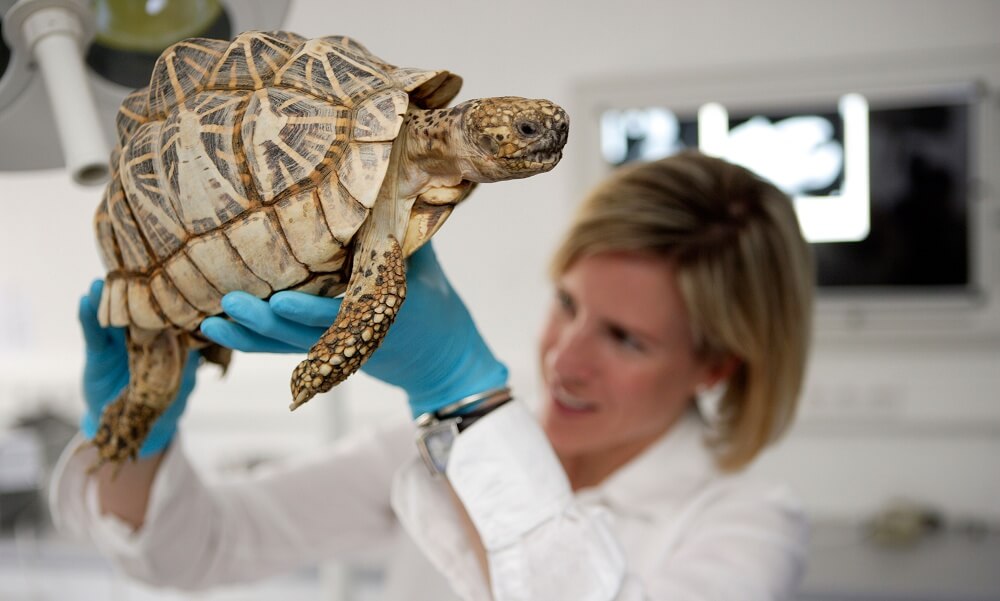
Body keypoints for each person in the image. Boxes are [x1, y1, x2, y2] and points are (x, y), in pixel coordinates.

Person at [51, 150, 815, 600]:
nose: (565, 356)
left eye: (624, 338)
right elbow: (199, 548)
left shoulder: (746, 525)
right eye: (567, 303)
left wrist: (467, 396)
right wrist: (138, 424)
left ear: (715, 364)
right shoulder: (420, 452)